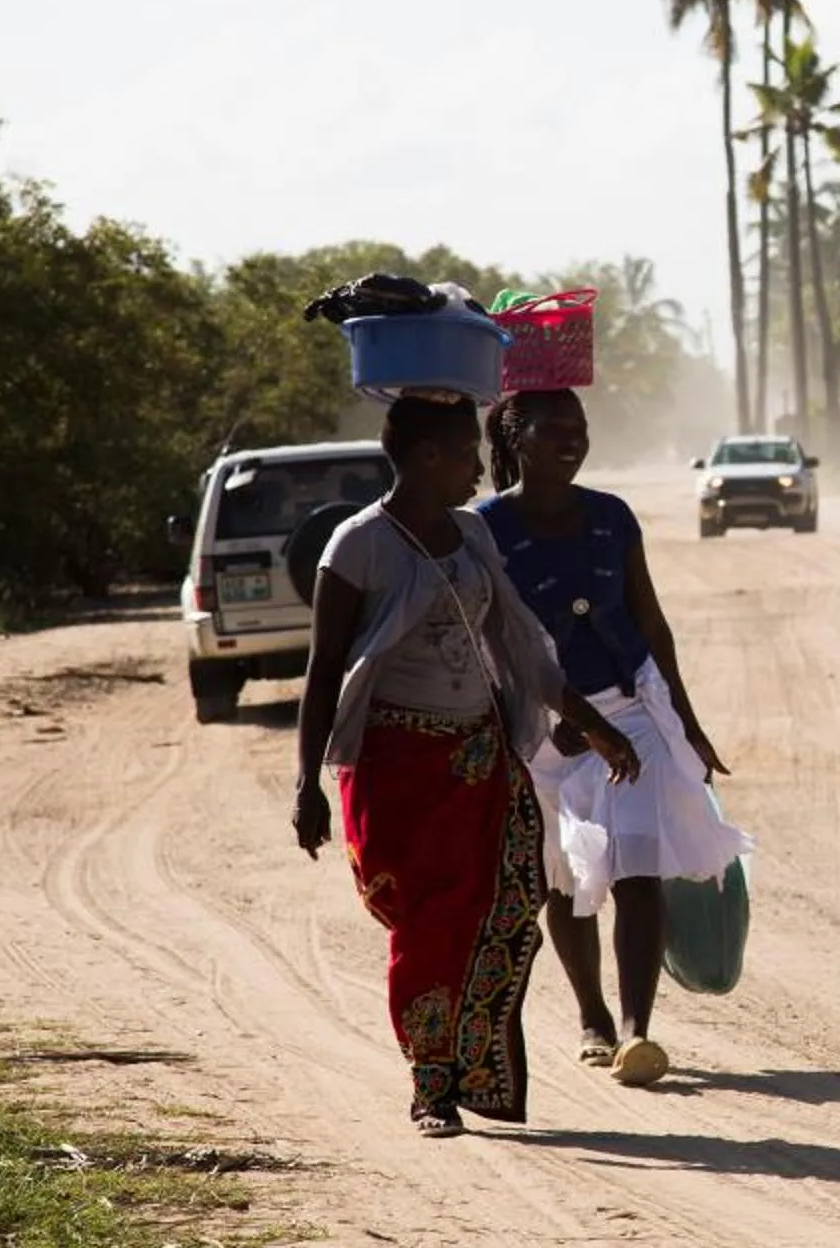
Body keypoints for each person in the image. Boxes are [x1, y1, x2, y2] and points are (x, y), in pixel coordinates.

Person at [294, 393, 640, 1137]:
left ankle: (468, 1071)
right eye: (463, 454)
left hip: (481, 758)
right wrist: (307, 785)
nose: (479, 470)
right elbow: (324, 672)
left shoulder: (475, 536)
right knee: (424, 924)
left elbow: (520, 643)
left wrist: (596, 725)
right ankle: (430, 1085)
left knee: (505, 912)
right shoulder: (356, 547)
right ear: (424, 458)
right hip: (393, 768)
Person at [479, 388, 750, 1090]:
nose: (572, 441)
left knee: (636, 865)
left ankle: (637, 1033)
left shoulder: (612, 516)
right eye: (555, 430)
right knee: (567, 878)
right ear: (517, 434)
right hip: (543, 724)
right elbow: (494, 644)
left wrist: (686, 723)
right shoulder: (484, 528)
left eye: (581, 429)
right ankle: (592, 1017)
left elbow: (651, 626)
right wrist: (554, 724)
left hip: (632, 712)